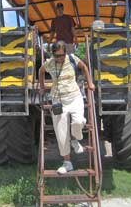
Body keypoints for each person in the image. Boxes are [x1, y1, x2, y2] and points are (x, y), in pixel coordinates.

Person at [39, 40, 95, 174]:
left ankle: (75, 140)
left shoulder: (72, 59)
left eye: (61, 55)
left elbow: (85, 68)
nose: (59, 58)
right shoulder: (49, 63)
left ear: (65, 53)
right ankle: (67, 162)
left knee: (78, 122)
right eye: (57, 56)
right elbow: (41, 72)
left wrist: (90, 83)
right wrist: (42, 87)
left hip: (75, 97)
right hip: (58, 100)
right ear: (53, 54)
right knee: (62, 133)